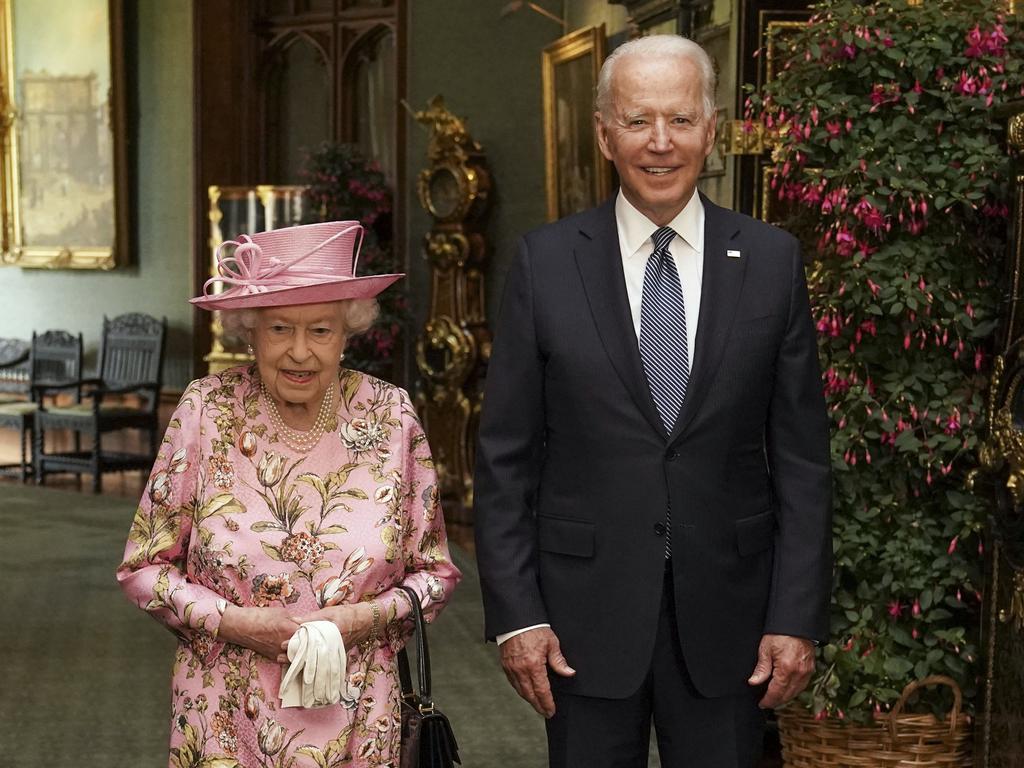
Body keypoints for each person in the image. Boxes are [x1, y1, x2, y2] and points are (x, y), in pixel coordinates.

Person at [474, 34, 832, 767]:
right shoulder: (546, 262)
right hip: (579, 624)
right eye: (637, 121)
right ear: (604, 132)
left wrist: (796, 616)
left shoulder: (771, 261)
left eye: (680, 119)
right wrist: (517, 618)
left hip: (733, 624)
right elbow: (504, 456)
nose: (660, 143)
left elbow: (802, 459)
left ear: (713, 128)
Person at [117, 221, 461, 767]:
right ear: (247, 331)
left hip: (359, 722)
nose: (300, 352)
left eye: (320, 330)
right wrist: (233, 623)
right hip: (223, 719)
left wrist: (361, 621)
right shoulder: (207, 410)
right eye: (279, 329)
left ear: (347, 333)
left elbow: (434, 577)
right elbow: (144, 569)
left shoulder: (390, 414)